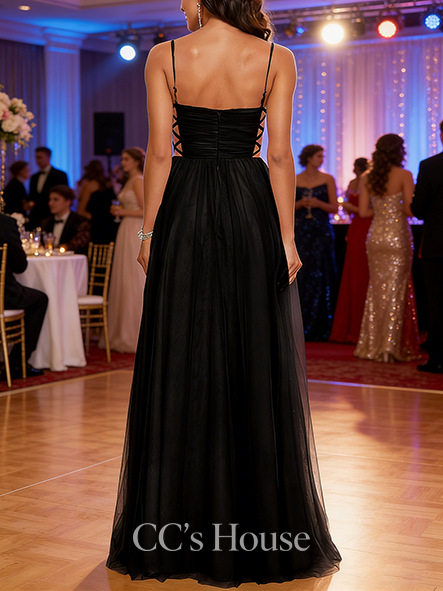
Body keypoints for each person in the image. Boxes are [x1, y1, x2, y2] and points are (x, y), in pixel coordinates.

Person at [106, 0, 341, 585]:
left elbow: (159, 153)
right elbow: (279, 155)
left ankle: (174, 528)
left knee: (182, 353)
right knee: (249, 350)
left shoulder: (165, 55)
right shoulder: (276, 57)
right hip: (248, 206)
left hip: (185, 206)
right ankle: (257, 525)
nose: (182, 3)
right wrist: (285, 237)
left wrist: (149, 232)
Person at [355, 134, 420, 363]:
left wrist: (383, 210)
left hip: (376, 237)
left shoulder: (367, 177)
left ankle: (373, 345)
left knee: (376, 290)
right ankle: (389, 347)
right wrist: (395, 209)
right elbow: (410, 210)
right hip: (398, 237)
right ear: (399, 151)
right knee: (397, 290)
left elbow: (363, 212)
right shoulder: (404, 175)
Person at [295, 144, 338, 340]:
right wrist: (300, 204)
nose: (321, 159)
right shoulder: (296, 179)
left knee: (323, 273)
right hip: (301, 231)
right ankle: (299, 322)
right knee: (302, 273)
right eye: (319, 156)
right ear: (309, 158)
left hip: (321, 232)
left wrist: (318, 203)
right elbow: (283, 206)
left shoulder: (327, 179)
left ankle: (323, 324)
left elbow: (334, 208)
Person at [104, 148, 145, 353]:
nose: (123, 162)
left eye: (126, 159)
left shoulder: (138, 180)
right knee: (124, 278)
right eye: (122, 159)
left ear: (136, 161)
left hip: (134, 229)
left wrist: (122, 211)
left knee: (133, 278)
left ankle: (135, 333)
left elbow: (146, 210)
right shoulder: (128, 180)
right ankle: (122, 331)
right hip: (125, 228)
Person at [411, 121, 443, 373]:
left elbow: (418, 209)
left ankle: (438, 358)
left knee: (437, 301)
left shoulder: (430, 165)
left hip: (437, 244)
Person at [0, 213, 47, 379]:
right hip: (3, 296)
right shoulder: (5, 223)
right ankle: (16, 363)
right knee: (40, 300)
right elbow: (20, 266)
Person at [330, 157, 371, 343]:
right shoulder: (353, 182)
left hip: (367, 225)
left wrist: (350, 206)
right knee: (353, 272)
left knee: (364, 272)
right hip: (355, 226)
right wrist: (348, 207)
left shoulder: (368, 180)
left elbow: (367, 207)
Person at [40, 186, 91, 255]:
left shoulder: (80, 222)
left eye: (55, 199)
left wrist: (64, 248)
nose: (50, 203)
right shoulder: (46, 223)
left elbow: (79, 245)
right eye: (50, 199)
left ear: (68, 202)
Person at [77, 160, 117, 244]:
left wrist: (95, 219)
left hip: (98, 225)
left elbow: (81, 210)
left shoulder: (89, 186)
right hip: (109, 223)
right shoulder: (108, 184)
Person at [28, 147, 69, 228]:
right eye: (36, 157)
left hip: (52, 215)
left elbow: (64, 195)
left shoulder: (60, 175)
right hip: (36, 217)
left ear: (48, 157)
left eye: (40, 157)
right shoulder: (34, 177)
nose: (38, 160)